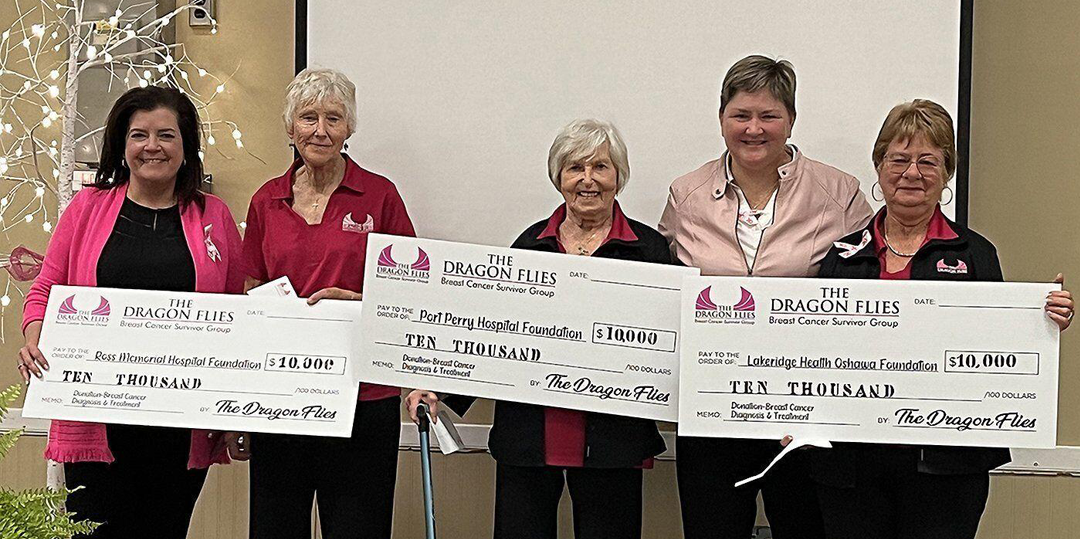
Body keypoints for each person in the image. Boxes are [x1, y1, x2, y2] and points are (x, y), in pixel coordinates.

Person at [811, 99, 1074, 539]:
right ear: (879, 166)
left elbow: (999, 350)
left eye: (928, 161)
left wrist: (1042, 324)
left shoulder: (975, 254)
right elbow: (812, 350)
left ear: (947, 172)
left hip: (945, 465)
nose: (911, 173)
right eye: (898, 159)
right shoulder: (842, 255)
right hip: (850, 466)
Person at [406, 119, 670, 539]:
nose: (588, 180)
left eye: (600, 166)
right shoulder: (530, 244)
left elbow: (672, 340)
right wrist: (441, 388)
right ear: (558, 178)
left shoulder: (649, 249)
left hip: (613, 440)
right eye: (574, 168)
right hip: (530, 436)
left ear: (618, 175)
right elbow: (491, 329)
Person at [658, 54, 873, 539]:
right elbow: (661, 287)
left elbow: (878, 289)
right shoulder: (685, 195)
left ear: (790, 120)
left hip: (805, 412)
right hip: (713, 410)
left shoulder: (840, 193)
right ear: (721, 120)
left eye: (769, 115)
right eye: (741, 115)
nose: (754, 129)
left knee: (805, 529)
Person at [17, 86, 244, 538]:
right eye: (139, 135)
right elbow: (46, 288)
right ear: (122, 145)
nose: (152, 146)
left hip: (180, 424)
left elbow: (236, 316)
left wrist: (239, 411)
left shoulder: (214, 216)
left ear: (186, 146)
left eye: (166, 135)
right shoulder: (86, 209)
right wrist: (33, 339)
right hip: (98, 420)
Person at [236, 67, 416, 539]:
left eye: (333, 119)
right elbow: (249, 293)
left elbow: (413, 295)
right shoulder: (264, 201)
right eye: (308, 117)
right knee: (276, 528)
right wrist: (237, 405)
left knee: (359, 528)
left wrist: (357, 300)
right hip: (280, 398)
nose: (320, 130)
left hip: (363, 399)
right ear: (289, 127)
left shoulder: (380, 195)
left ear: (350, 128)